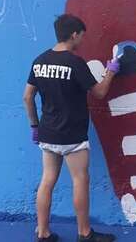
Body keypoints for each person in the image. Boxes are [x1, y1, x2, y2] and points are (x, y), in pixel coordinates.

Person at [23, 14, 120, 242]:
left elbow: (27, 97)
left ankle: (43, 233)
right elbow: (99, 93)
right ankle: (84, 233)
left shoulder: (39, 61)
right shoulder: (75, 63)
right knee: (79, 180)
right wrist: (111, 72)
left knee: (47, 180)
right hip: (72, 136)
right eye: (82, 36)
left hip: (47, 133)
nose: (82, 41)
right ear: (74, 34)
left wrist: (34, 126)